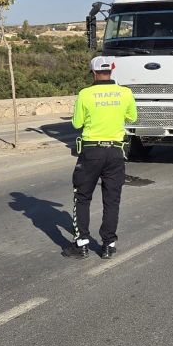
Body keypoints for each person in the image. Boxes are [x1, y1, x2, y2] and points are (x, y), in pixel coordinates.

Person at [62, 56, 137, 259]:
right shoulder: (125, 93)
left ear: (93, 73)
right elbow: (132, 117)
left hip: (91, 152)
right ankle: (108, 245)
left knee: (82, 197)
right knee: (112, 200)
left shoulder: (85, 94)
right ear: (111, 71)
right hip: (115, 152)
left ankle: (82, 244)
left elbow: (77, 124)